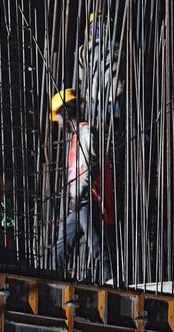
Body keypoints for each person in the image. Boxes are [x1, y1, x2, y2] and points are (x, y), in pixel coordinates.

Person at [51, 88, 116, 281]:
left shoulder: (87, 133)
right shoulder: (75, 139)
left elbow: (87, 170)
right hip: (78, 204)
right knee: (60, 248)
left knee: (97, 246)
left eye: (59, 118)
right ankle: (55, 280)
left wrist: (77, 196)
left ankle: (109, 282)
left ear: (66, 113)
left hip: (88, 201)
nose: (59, 124)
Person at [75, 11, 123, 121]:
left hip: (95, 100)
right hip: (115, 97)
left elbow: (82, 79)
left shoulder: (83, 51)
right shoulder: (117, 48)